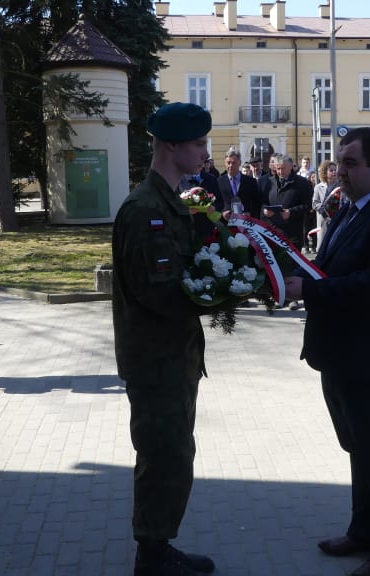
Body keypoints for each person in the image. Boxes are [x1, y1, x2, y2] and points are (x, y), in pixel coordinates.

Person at [285, 127, 370, 576]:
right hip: (338, 353)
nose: (339, 170)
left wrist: (311, 289)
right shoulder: (349, 208)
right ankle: (363, 530)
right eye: (338, 162)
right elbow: (326, 266)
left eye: (350, 163)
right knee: (357, 448)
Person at [111, 102, 216, 576]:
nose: (204, 152)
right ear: (171, 146)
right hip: (156, 359)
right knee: (163, 454)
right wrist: (218, 297)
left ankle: (157, 547)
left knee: (173, 452)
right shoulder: (145, 210)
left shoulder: (171, 203)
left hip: (173, 355)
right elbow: (159, 292)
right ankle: (151, 556)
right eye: (197, 144)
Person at [261, 153, 314, 247]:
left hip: (292, 233)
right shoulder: (269, 182)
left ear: (290, 167)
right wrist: (264, 210)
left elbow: (307, 205)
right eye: (278, 169)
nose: (280, 172)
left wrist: (291, 212)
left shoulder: (302, 183)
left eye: (283, 168)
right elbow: (262, 202)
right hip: (272, 232)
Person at [215, 146, 261, 220]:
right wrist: (222, 213)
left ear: (239, 162)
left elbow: (256, 203)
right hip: (226, 224)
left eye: (233, 163)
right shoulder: (219, 182)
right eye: (228, 163)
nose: (230, 165)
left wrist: (249, 213)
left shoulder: (251, 182)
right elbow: (216, 203)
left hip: (246, 223)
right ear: (225, 163)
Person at [311, 160, 338, 245]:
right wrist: (325, 209)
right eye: (331, 170)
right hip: (323, 219)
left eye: (335, 170)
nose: (334, 172)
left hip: (337, 219)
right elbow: (314, 203)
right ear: (325, 172)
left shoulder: (341, 186)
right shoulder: (318, 187)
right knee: (323, 245)